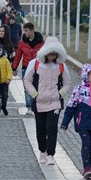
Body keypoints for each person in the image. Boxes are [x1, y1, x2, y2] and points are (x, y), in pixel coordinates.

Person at [23, 36, 71, 166]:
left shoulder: (61, 65)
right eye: (50, 54)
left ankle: (51, 154)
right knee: (41, 129)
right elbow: (27, 80)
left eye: (55, 54)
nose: (52, 57)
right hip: (39, 102)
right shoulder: (35, 63)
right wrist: (34, 94)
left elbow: (67, 82)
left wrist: (60, 94)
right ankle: (42, 151)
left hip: (55, 102)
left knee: (51, 128)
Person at [60, 64, 91, 180]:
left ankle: (88, 168)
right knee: (85, 142)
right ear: (86, 76)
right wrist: (64, 123)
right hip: (82, 121)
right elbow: (71, 106)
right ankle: (86, 168)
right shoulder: (79, 89)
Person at [12, 22, 44, 115]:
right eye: (24, 31)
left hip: (39, 69)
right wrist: (14, 68)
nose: (25, 33)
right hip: (26, 68)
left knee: (37, 87)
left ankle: (37, 106)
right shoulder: (22, 43)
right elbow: (18, 56)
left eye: (26, 31)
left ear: (32, 30)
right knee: (27, 88)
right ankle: (29, 107)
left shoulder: (41, 42)